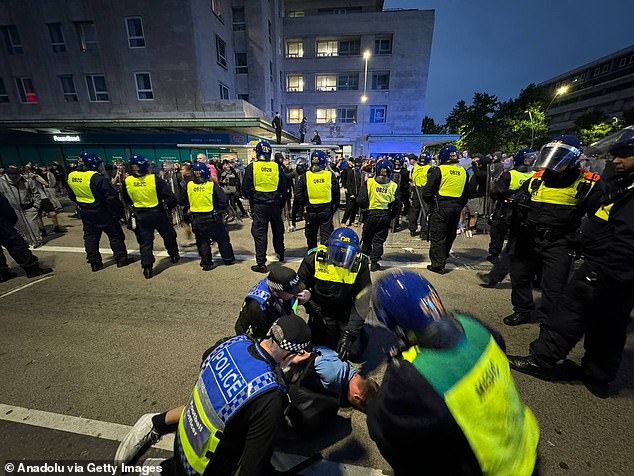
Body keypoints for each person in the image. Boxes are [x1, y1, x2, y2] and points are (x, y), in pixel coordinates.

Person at [367, 270, 540, 475]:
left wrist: (372, 403)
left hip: (490, 469)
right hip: (527, 446)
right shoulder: (473, 325)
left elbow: (389, 430)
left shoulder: (412, 375)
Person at [508, 126, 634, 398]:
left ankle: (543, 360)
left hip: (601, 265)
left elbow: (626, 240)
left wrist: (602, 269)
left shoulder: (591, 184)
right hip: (585, 258)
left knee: (567, 311)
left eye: (624, 155)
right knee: (609, 325)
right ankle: (597, 376)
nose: (615, 160)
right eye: (614, 154)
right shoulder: (622, 186)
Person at [173, 315, 312, 475]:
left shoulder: (234, 342)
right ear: (291, 355)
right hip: (200, 468)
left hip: (182, 443)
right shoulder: (269, 396)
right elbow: (251, 469)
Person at [505, 135, 599, 326]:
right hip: (530, 237)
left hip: (560, 241)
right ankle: (522, 310)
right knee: (520, 277)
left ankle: (547, 322)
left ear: (573, 159)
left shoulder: (588, 183)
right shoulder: (537, 178)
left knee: (553, 286)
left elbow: (598, 216)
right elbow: (522, 197)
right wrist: (514, 201)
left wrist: (582, 237)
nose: (552, 162)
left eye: (559, 157)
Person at [298, 227, 371, 362]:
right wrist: (314, 309)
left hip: (345, 312)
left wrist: (349, 335)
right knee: (319, 349)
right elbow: (298, 288)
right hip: (321, 311)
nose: (341, 258)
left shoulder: (361, 264)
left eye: (347, 253)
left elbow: (362, 301)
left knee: (354, 353)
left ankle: (358, 333)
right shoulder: (314, 257)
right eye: (337, 251)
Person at [66, 151, 134, 271]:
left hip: (85, 211)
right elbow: (111, 197)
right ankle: (121, 259)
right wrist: (120, 213)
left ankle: (94, 262)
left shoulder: (71, 176)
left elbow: (71, 196)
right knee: (115, 235)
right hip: (102, 211)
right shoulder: (96, 178)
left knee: (90, 237)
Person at [479, 148, 535, 288]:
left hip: (508, 211)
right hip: (529, 215)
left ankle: (494, 262)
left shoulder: (509, 175)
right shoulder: (536, 175)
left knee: (504, 240)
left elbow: (496, 192)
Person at [122, 155, 180, 279]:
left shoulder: (128, 181)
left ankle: (147, 268)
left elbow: (126, 199)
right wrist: (169, 207)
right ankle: (174, 255)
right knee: (169, 235)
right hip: (157, 213)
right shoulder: (154, 179)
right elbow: (170, 197)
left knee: (145, 242)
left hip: (140, 215)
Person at [178, 162, 235, 271]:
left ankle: (206, 263)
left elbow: (181, 200)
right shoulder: (211, 185)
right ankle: (228, 259)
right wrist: (220, 210)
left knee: (202, 241)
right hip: (213, 218)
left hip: (197, 220)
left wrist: (190, 206)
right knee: (222, 239)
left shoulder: (189, 185)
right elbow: (223, 201)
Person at [241, 140, 287, 273]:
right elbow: (284, 189)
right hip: (275, 204)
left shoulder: (251, 167)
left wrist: (252, 196)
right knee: (278, 230)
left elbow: (245, 190)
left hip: (259, 205)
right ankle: (280, 253)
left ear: (257, 152)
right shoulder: (276, 167)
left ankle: (261, 263)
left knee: (260, 233)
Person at [423, 144, 468, 274]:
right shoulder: (463, 171)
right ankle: (444, 255)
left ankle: (438, 265)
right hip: (456, 207)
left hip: (440, 206)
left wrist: (432, 204)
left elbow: (427, 192)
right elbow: (466, 193)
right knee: (450, 234)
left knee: (438, 235)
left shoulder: (439, 170)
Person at [235, 265, 311, 339]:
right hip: (253, 333)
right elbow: (261, 339)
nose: (297, 293)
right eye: (292, 291)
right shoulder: (259, 307)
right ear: (277, 292)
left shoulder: (275, 281)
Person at [357, 159, 400, 271]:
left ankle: (364, 261)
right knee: (379, 240)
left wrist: (366, 208)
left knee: (367, 239)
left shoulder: (369, 182)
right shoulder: (393, 186)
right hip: (385, 215)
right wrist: (391, 216)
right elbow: (397, 204)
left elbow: (361, 200)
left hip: (371, 214)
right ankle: (375, 262)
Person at [0, 190, 53, 281]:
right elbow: (5, 208)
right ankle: (32, 268)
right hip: (2, 223)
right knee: (16, 244)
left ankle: (2, 273)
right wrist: (11, 221)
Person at [294, 150, 340, 249]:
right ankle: (323, 258)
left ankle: (312, 258)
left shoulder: (305, 176)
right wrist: (334, 208)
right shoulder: (330, 175)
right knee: (326, 237)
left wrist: (303, 207)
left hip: (311, 211)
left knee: (311, 239)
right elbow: (336, 194)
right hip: (326, 211)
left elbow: (298, 194)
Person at [0, 166, 43, 247]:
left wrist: (36, 206)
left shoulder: (27, 180)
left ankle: (37, 240)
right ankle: (26, 241)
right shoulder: (2, 183)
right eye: (11, 176)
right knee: (20, 227)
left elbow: (36, 193)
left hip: (29, 207)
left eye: (16, 175)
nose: (14, 177)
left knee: (32, 224)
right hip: (13, 208)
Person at [408, 151, 432, 237]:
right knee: (425, 210)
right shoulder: (429, 168)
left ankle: (412, 229)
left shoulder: (415, 167)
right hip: (425, 190)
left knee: (414, 210)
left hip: (415, 189)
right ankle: (424, 231)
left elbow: (410, 177)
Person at [341, 159, 362, 226]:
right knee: (349, 208)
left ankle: (352, 221)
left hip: (357, 193)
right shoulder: (349, 171)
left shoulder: (358, 172)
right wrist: (350, 192)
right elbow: (348, 182)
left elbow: (359, 183)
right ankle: (343, 221)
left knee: (355, 208)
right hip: (351, 192)